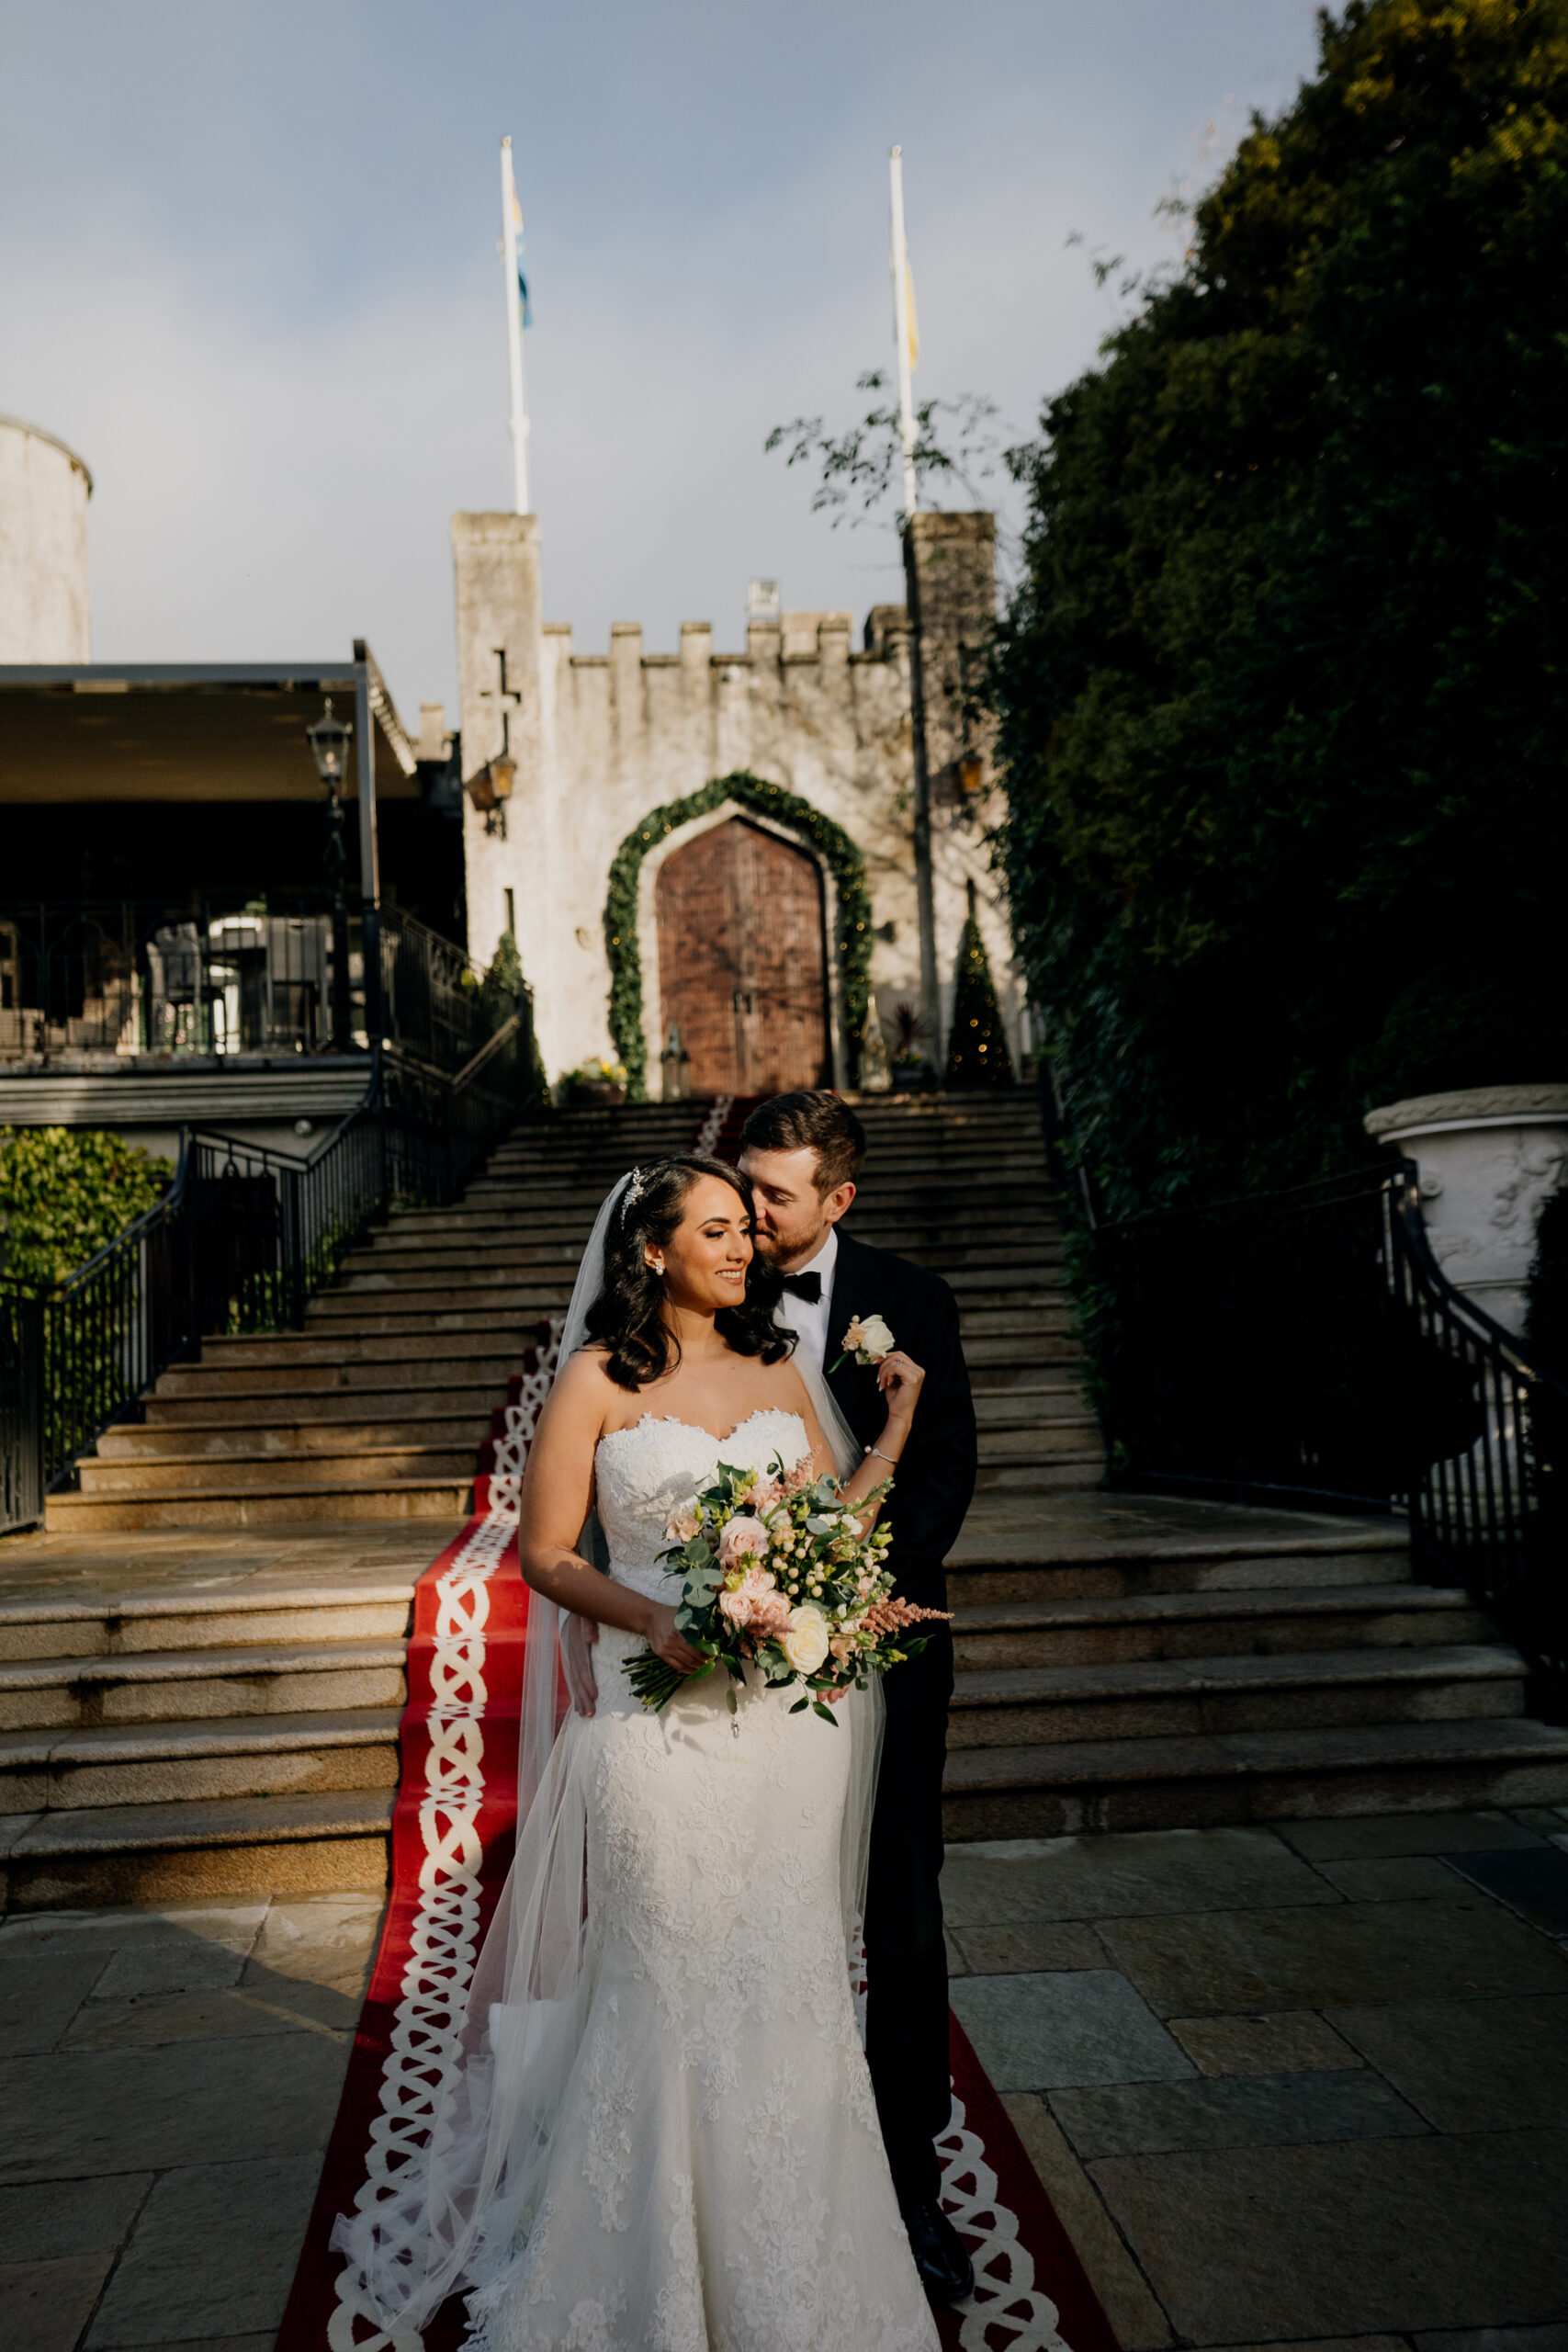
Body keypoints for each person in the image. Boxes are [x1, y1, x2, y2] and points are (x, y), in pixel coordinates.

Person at [334, 1155, 943, 2350]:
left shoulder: (779, 1364)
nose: (742, 1247)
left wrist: (899, 1424)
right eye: (714, 1230)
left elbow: (828, 1530)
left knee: (788, 1986)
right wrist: (654, 1616)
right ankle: (645, 2282)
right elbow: (547, 1556)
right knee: (665, 1983)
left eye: (744, 1229)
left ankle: (799, 2273)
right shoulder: (594, 1381)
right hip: (653, 1706)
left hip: (781, 1726)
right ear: (654, 1250)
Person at [738, 1091, 977, 2306]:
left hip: (887, 1649)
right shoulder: (708, 1284)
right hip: (745, 1656)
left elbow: (944, 1472)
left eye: (776, 1195)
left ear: (838, 1199)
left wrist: (860, 1593)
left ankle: (911, 2182)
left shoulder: (914, 1296)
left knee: (901, 1909)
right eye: (745, 1187)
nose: (752, 1214)